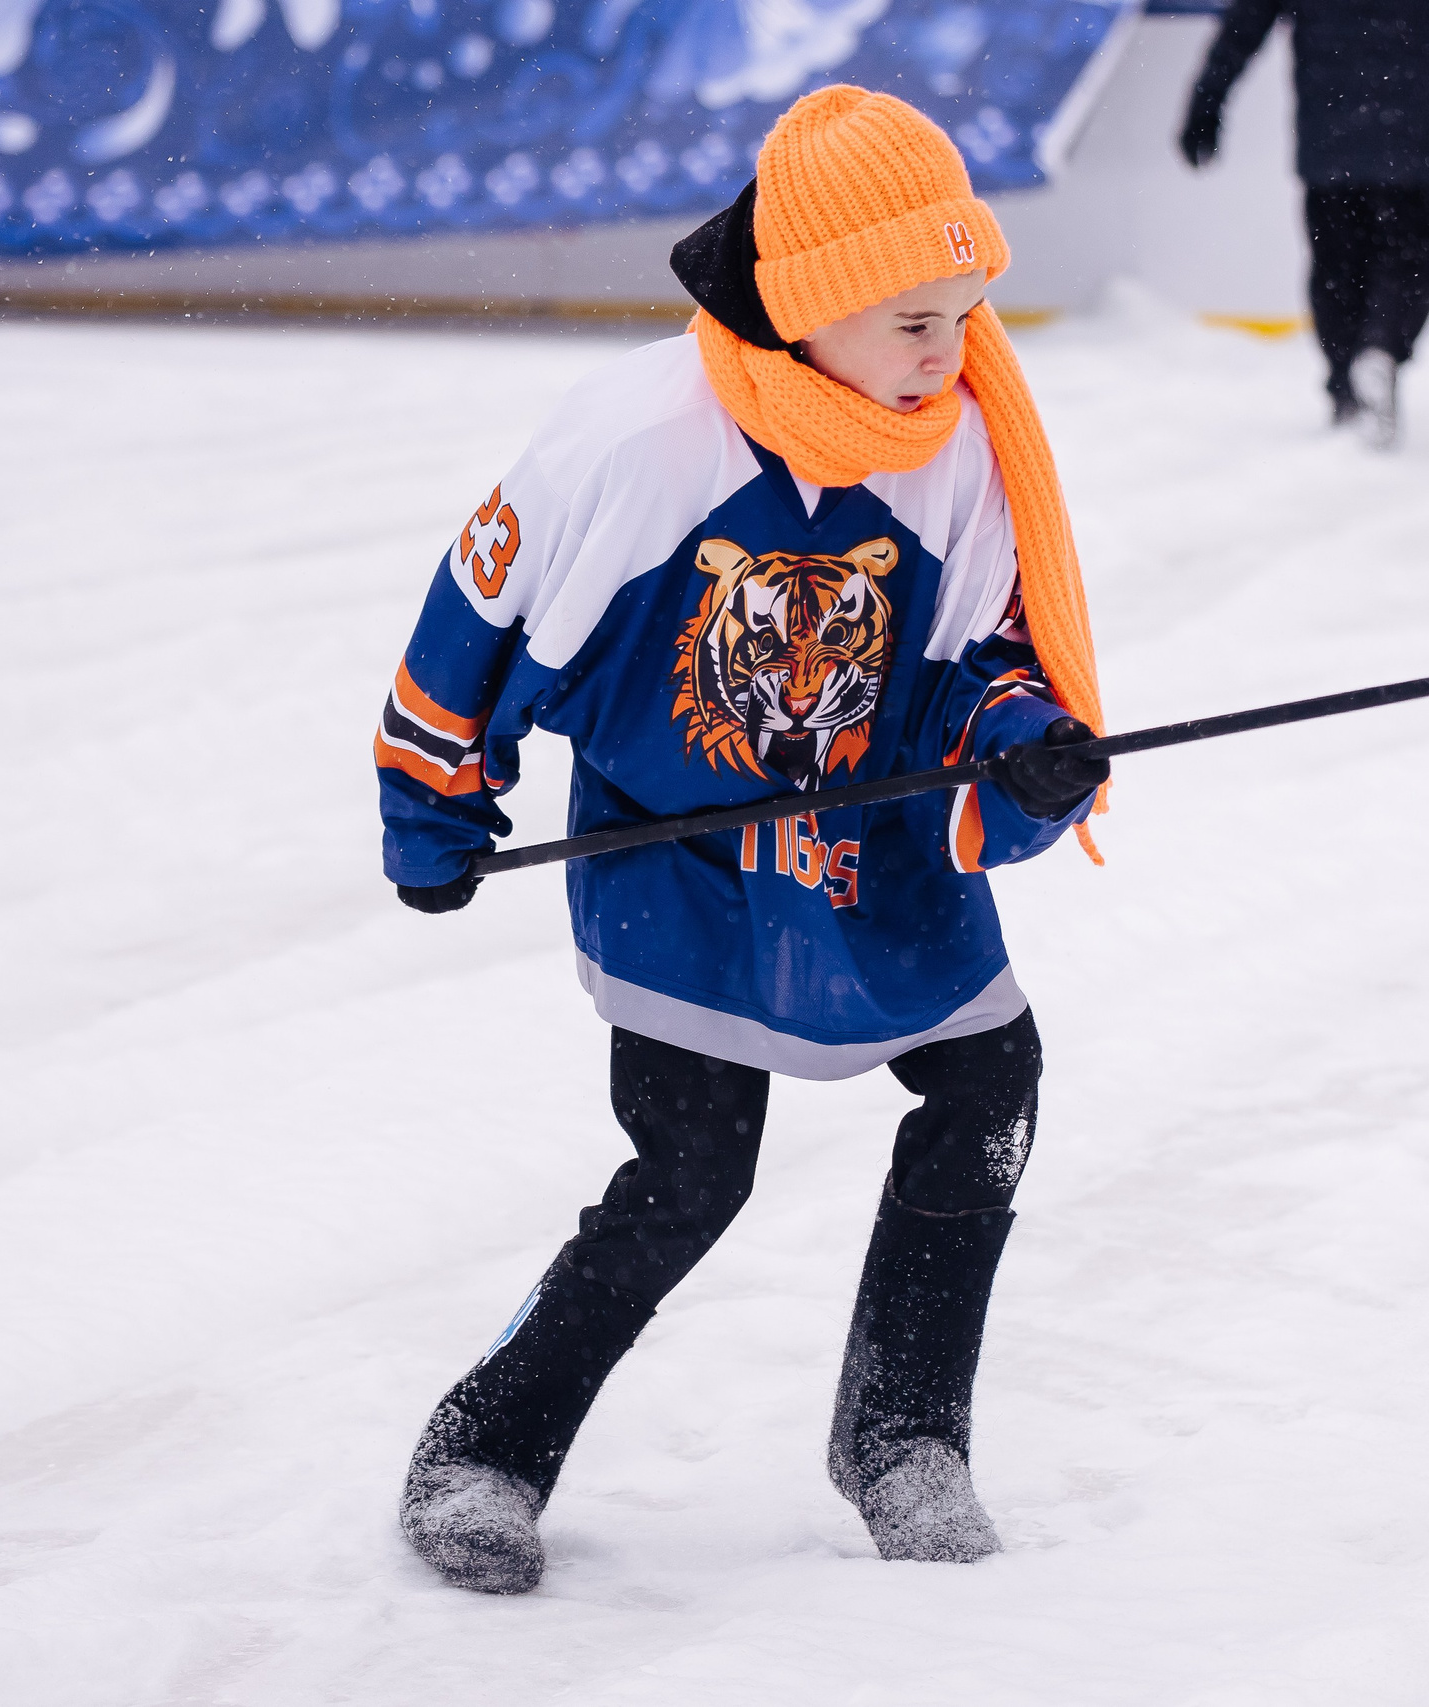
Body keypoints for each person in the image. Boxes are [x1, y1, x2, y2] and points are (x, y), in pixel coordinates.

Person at [373, 85, 1113, 1592]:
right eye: (914, 318)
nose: (951, 348)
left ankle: (902, 1431)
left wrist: (1020, 746)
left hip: (875, 841)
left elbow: (980, 652)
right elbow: (477, 622)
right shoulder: (642, 438)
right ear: (813, 306)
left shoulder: (955, 443)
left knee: (992, 1080)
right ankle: (485, 1441)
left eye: (966, 310)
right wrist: (434, 803)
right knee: (694, 1169)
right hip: (684, 850)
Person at [1179, 0, 1429, 449]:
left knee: (1338, 268)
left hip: (1330, 137)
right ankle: (1380, 351)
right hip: (1412, 135)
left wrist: (1207, 102)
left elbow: (1244, 27)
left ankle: (1346, 390)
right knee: (1412, 260)